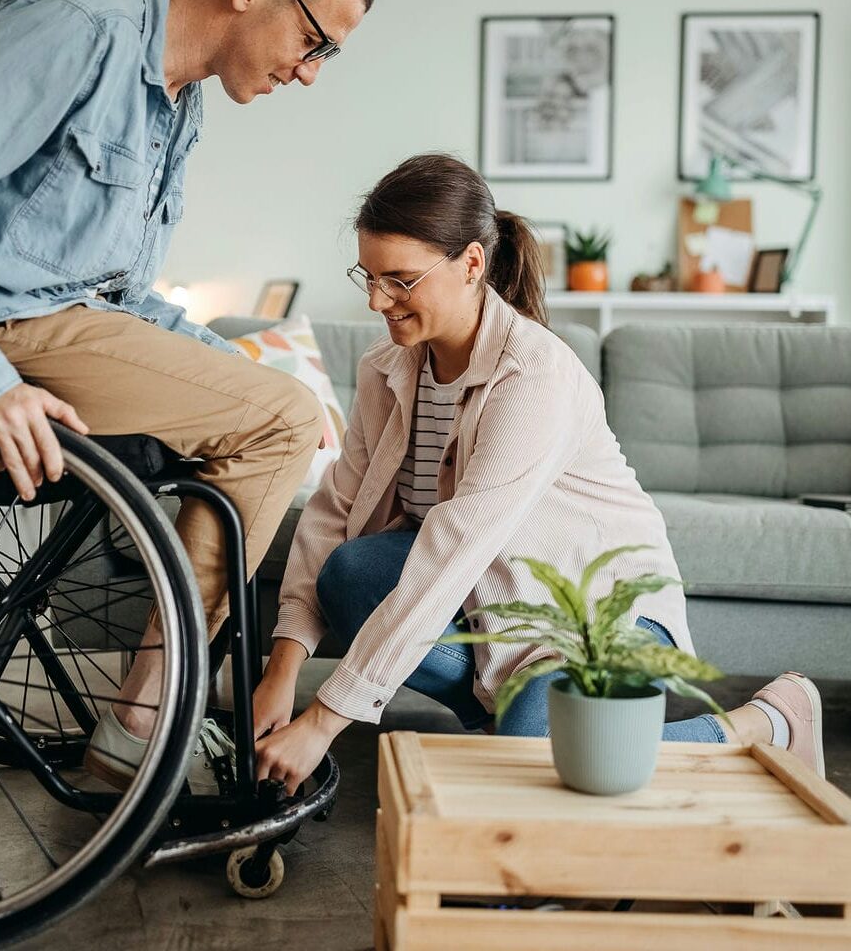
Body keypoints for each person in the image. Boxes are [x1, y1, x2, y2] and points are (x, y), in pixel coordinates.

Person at [0, 0, 375, 787]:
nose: (310, 72)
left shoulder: (179, 107)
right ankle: (144, 719)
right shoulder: (75, 31)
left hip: (48, 325)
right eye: (316, 42)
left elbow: (123, 299)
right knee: (277, 419)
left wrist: (233, 366)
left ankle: (149, 711)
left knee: (282, 408)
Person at [251, 153, 826, 794]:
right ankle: (516, 721)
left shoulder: (533, 375)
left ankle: (763, 724)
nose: (376, 299)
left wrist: (323, 721)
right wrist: (281, 674)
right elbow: (336, 508)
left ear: (472, 264)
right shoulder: (385, 366)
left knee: (548, 771)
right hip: (493, 602)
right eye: (369, 276)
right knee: (351, 572)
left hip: (596, 615)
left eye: (401, 280)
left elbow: (453, 550)